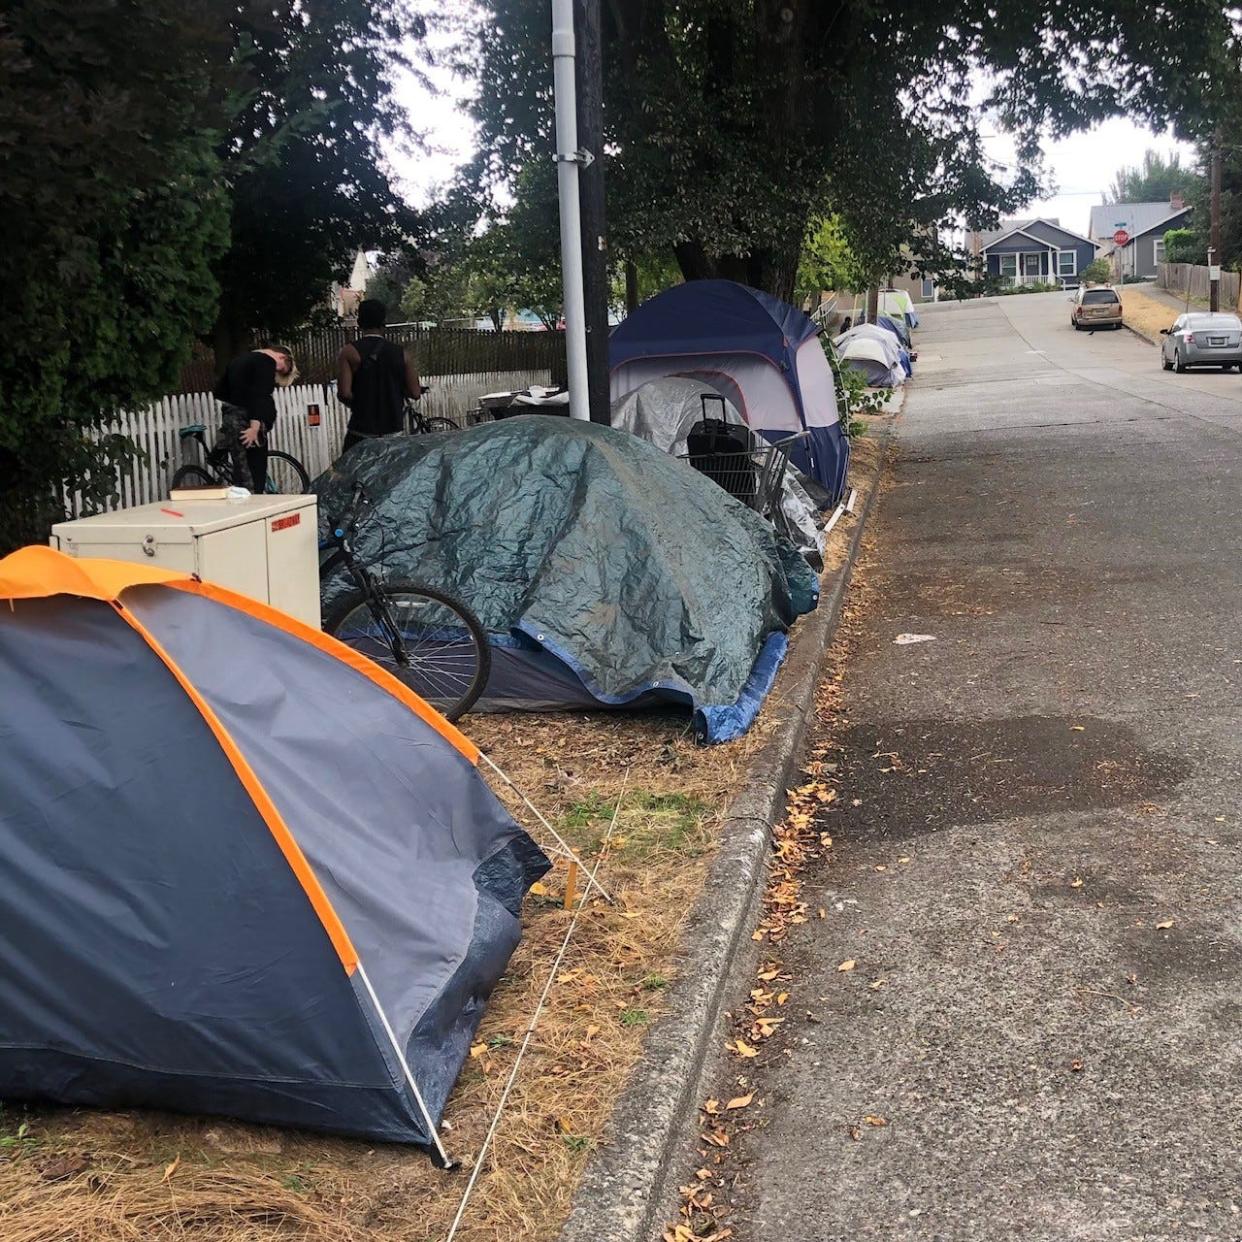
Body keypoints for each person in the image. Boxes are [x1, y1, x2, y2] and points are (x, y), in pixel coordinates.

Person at [336, 299, 422, 454]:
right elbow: (415, 393)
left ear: (360, 322)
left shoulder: (349, 352)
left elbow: (344, 393)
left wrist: (360, 404)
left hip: (360, 433)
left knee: (352, 477)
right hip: (393, 434)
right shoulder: (402, 354)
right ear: (384, 323)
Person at [212, 345, 298, 492]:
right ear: (282, 357)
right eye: (281, 369)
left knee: (240, 473)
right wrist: (254, 427)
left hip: (231, 419)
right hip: (247, 424)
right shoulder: (266, 362)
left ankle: (222, 446)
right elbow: (260, 396)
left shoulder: (238, 361)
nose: (276, 372)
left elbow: (220, 391)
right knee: (253, 479)